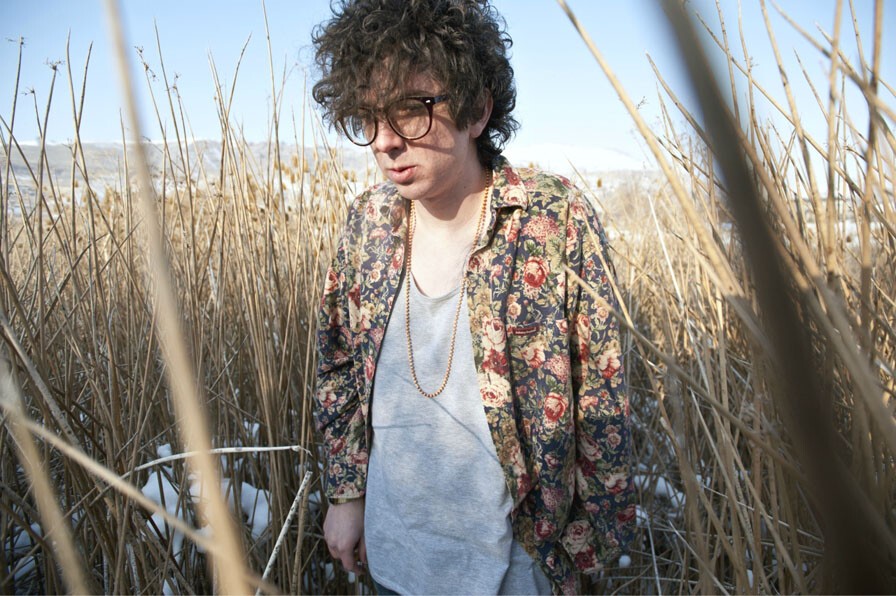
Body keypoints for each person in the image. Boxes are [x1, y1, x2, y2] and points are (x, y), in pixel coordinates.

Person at [311, 1, 634, 593]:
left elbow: (601, 393)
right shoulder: (367, 225)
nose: (385, 142)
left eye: (411, 110)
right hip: (393, 560)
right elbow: (337, 365)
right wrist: (345, 493)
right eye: (369, 117)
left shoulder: (552, 219)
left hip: (518, 568)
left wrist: (585, 550)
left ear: (478, 109)